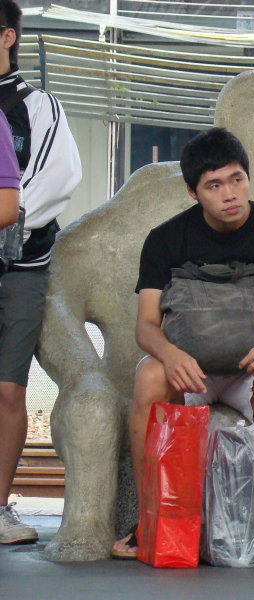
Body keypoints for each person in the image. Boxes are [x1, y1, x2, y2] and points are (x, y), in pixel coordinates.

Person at [111, 127, 254, 563]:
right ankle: (148, 522)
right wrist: (170, 355)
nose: (230, 193)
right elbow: (146, 326)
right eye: (214, 185)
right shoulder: (165, 239)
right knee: (149, 374)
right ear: (193, 192)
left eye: (237, 179)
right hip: (189, 370)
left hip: (253, 375)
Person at [0, 0, 81, 545]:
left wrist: (9, 227)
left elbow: (57, 178)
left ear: (7, 36)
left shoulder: (39, 106)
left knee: (7, 391)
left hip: (20, 270)